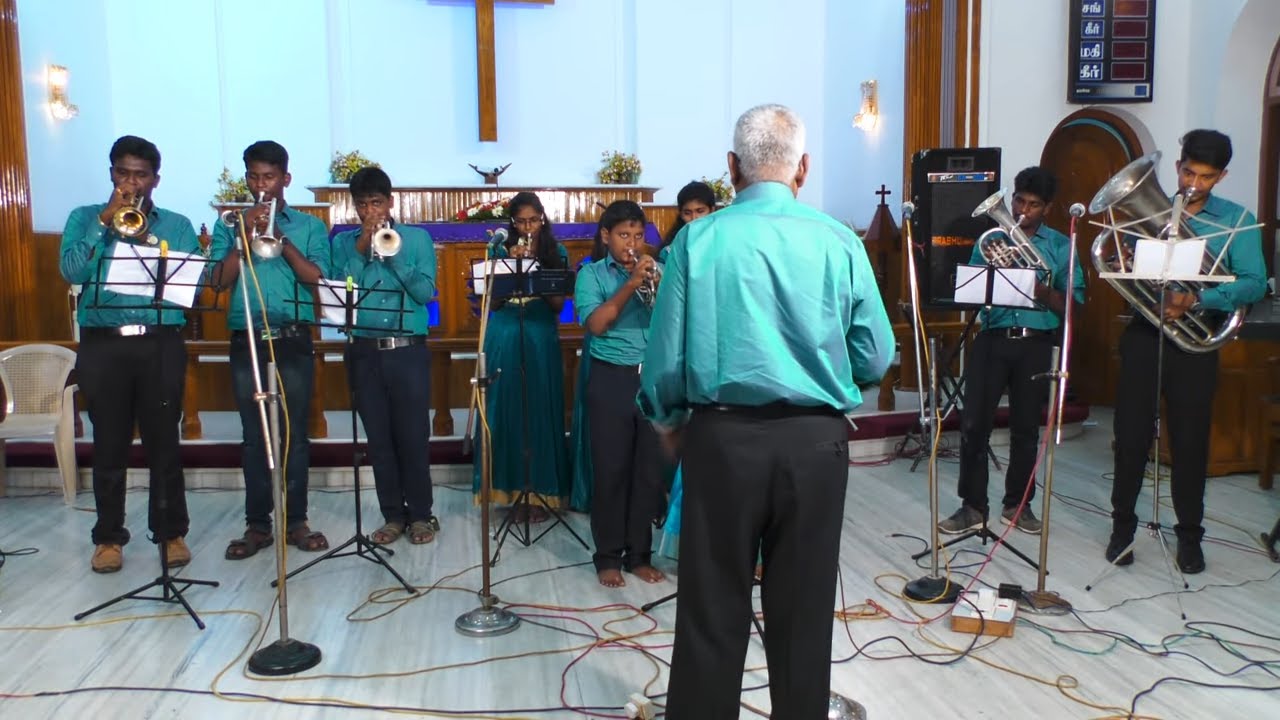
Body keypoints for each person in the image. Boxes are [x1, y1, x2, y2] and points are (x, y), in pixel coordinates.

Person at [640, 104, 894, 719]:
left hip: (723, 439)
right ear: (802, 169)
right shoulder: (838, 240)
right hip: (817, 444)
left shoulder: (699, 239)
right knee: (803, 609)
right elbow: (877, 354)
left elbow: (665, 361)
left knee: (711, 606)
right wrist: (829, 382)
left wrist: (669, 421)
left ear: (732, 169)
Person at [1108, 129, 1265, 574]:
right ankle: (1121, 531)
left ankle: (1190, 538)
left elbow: (1254, 282)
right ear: (1177, 166)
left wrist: (1196, 300)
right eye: (1189, 172)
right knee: (1130, 438)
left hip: (1195, 341)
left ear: (1222, 176)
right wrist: (1124, 263)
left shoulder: (1237, 220)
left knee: (1191, 441)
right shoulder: (1147, 214)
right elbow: (1129, 275)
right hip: (1144, 334)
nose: (1194, 184)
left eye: (1207, 177)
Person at [60, 135, 201, 574]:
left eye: (140, 174)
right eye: (123, 172)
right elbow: (71, 270)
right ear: (111, 174)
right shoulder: (84, 218)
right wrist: (104, 223)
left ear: (155, 179)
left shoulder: (175, 224)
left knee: (164, 441)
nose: (131, 182)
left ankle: (171, 533)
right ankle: (107, 538)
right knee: (109, 444)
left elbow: (189, 286)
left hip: (159, 341)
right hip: (104, 342)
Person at [938, 167, 1086, 537]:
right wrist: (990, 274)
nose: (1023, 210)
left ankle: (1019, 505)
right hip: (993, 337)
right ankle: (973, 506)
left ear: (1047, 208)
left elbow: (1073, 305)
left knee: (1025, 430)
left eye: (1034, 205)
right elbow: (971, 291)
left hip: (1036, 342)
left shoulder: (1060, 247)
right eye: (1019, 200)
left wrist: (1039, 290)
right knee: (973, 425)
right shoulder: (991, 241)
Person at [209, 140, 331, 560]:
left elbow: (316, 278)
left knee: (295, 434)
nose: (262, 186)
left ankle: (296, 521)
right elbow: (218, 282)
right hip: (247, 337)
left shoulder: (310, 226)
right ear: (247, 179)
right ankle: (257, 525)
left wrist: (282, 239)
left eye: (270, 177)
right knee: (253, 436)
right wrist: (243, 234)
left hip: (294, 337)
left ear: (286, 179)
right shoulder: (229, 225)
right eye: (255, 177)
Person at [330, 167, 440, 545]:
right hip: (363, 351)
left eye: (376, 203)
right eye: (362, 205)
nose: (370, 211)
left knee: (412, 436)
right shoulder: (344, 243)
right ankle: (393, 515)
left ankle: (422, 515)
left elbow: (426, 293)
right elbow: (337, 291)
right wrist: (362, 250)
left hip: (407, 350)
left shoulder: (418, 239)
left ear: (390, 202)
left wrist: (392, 256)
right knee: (378, 440)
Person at [574, 200, 665, 587]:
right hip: (611, 379)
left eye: (638, 235)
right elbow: (597, 324)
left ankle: (639, 555)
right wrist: (630, 284)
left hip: (651, 379)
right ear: (606, 236)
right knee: (611, 470)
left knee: (647, 472)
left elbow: (670, 321)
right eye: (624, 235)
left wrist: (658, 288)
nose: (632, 243)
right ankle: (607, 555)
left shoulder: (656, 272)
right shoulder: (591, 275)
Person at [472, 191, 571, 519]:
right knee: (507, 409)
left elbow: (558, 306)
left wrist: (535, 269)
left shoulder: (556, 252)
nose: (528, 227)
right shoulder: (498, 250)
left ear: (542, 219)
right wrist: (510, 266)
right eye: (521, 221)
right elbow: (491, 303)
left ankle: (540, 494)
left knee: (539, 410)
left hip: (539, 334)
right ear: (511, 223)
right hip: (504, 333)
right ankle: (508, 490)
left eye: (533, 220)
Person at [659, 181, 716, 261]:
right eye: (687, 213)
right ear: (681, 214)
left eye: (700, 211)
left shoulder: (723, 239)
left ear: (712, 210)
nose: (694, 218)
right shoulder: (671, 250)